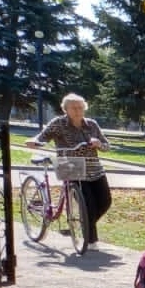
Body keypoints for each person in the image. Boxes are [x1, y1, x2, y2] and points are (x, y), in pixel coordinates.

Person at [31, 93, 111, 246]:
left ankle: (82, 224)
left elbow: (107, 145)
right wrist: (34, 142)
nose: (77, 110)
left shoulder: (92, 124)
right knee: (88, 204)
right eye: (73, 107)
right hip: (69, 165)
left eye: (80, 107)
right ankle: (91, 240)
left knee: (105, 202)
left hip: (94, 168)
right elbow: (42, 138)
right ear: (65, 109)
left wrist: (99, 144)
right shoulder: (58, 123)